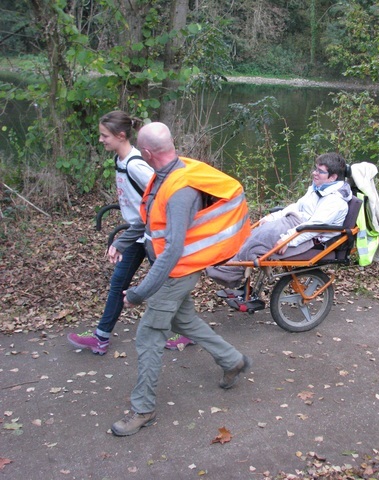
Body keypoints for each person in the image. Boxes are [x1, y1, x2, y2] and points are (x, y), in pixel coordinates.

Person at [110, 122, 251, 436]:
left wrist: (139, 293)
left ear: (147, 153)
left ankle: (142, 409)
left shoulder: (180, 191)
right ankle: (232, 360)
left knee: (149, 336)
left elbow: (173, 250)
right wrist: (122, 242)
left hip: (175, 274)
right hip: (172, 272)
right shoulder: (166, 175)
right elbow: (148, 222)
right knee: (183, 321)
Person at [67, 110, 193, 355]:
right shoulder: (121, 161)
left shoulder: (137, 165)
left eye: (105, 135)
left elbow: (162, 197)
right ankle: (101, 337)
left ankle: (186, 332)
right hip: (138, 234)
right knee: (119, 283)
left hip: (153, 235)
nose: (101, 140)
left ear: (121, 135)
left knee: (168, 283)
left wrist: (126, 238)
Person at [206, 152, 352, 290]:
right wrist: (273, 217)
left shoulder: (335, 201)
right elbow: (296, 206)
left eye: (320, 171)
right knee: (251, 234)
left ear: (332, 177)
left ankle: (228, 274)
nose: (314, 173)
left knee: (257, 244)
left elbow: (314, 227)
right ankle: (224, 264)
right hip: (297, 225)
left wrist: (287, 239)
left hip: (309, 236)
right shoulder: (318, 189)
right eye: (316, 169)